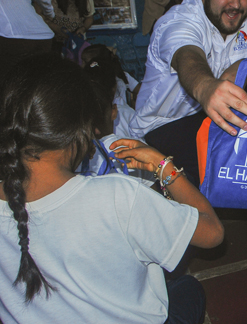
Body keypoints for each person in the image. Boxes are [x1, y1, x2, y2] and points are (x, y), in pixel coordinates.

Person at [0, 54, 223, 323]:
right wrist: (163, 165)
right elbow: (212, 233)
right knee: (187, 289)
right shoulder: (117, 196)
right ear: (84, 130)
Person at [131, 0, 247, 184]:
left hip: (213, 118)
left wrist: (244, 65)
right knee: (223, 163)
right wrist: (206, 87)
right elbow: (187, 57)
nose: (235, 4)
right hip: (164, 124)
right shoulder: (180, 20)